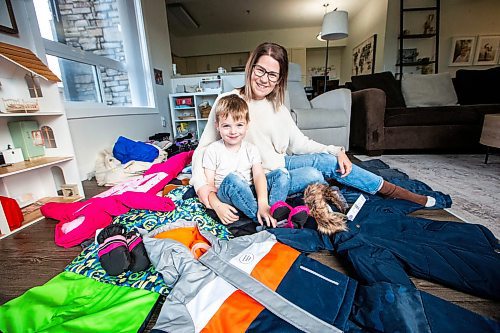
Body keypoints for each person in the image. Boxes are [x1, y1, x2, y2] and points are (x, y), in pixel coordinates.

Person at [191, 42, 435, 225]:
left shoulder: (278, 107)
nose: (265, 79)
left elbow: (300, 143)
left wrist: (336, 150)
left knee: (329, 162)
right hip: (260, 178)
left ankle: (397, 193)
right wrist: (207, 195)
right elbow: (202, 150)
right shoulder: (229, 101)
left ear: (279, 79)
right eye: (260, 70)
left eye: (273, 75)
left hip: (280, 164)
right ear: (250, 67)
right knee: (314, 173)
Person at [202, 94, 295, 228]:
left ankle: (272, 212)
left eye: (239, 125)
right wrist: (218, 206)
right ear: (217, 126)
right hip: (228, 195)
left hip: (249, 193)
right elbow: (208, 186)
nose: (233, 131)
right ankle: (265, 222)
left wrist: (263, 202)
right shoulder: (213, 150)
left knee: (282, 173)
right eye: (226, 126)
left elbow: (258, 175)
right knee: (233, 178)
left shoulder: (251, 149)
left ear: (247, 125)